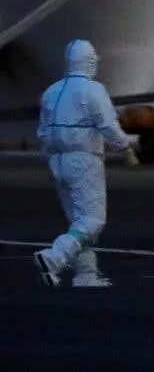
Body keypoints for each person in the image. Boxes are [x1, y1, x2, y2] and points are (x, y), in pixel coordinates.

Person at [33, 39, 135, 288]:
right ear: (90, 62)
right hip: (84, 159)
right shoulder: (93, 90)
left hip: (57, 160)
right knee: (92, 220)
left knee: (78, 219)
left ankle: (86, 274)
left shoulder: (52, 91)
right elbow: (107, 124)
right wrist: (126, 146)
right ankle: (55, 256)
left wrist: (52, 159)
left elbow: (44, 132)